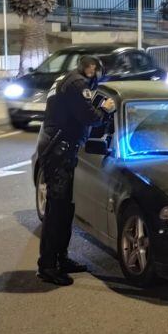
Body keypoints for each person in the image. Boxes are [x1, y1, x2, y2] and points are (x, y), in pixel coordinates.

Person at [36, 55, 116, 287]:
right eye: (98, 73)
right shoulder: (77, 84)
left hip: (59, 148)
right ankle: (48, 266)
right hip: (58, 150)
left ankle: (60, 258)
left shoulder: (67, 80)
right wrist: (106, 108)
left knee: (64, 208)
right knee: (57, 210)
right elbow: (89, 117)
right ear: (91, 69)